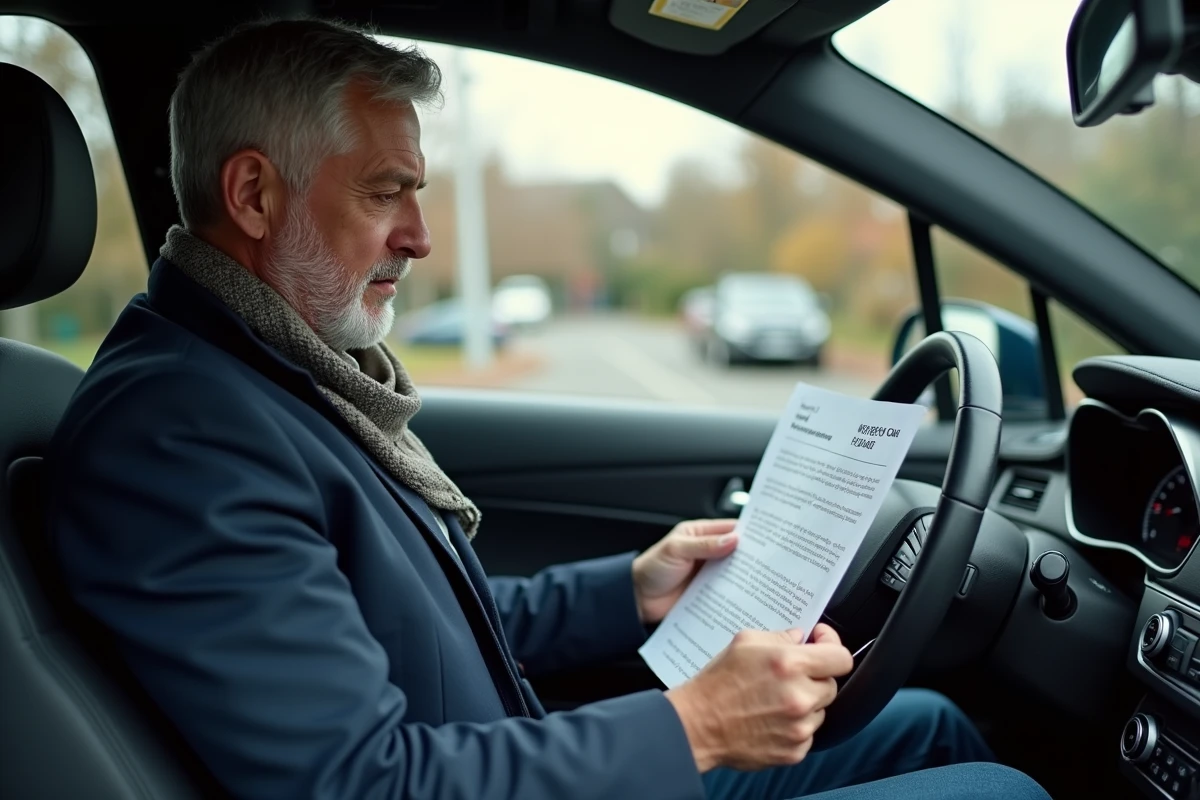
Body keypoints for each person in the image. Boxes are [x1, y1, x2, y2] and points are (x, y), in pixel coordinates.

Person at [45, 17, 1050, 800]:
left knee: (922, 724)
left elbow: (426, 637)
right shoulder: (181, 434)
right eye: (387, 193)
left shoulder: (269, 377)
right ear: (255, 196)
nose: (421, 236)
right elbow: (359, 783)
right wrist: (699, 724)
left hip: (513, 763)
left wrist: (634, 590)